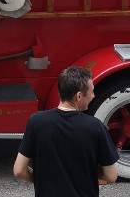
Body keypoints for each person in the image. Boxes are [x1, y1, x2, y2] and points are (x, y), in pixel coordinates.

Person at [13, 66, 118, 196]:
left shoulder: (36, 122)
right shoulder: (95, 127)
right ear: (79, 96)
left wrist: (41, 181)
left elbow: (19, 170)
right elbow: (111, 176)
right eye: (92, 91)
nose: (93, 95)